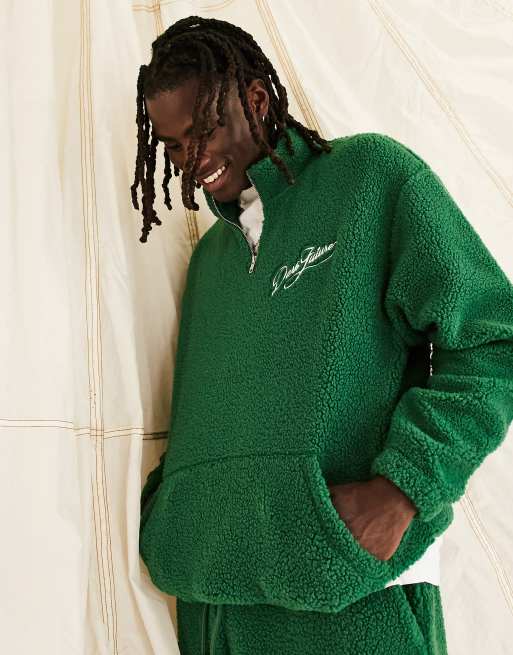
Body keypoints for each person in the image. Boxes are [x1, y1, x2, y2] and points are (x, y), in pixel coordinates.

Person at [132, 15, 513, 655]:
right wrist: (174, 518)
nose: (191, 161)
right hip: (219, 613)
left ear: (257, 100)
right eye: (172, 146)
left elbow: (493, 339)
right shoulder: (210, 261)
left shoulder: (369, 179)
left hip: (358, 608)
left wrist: (402, 490)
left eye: (202, 131)